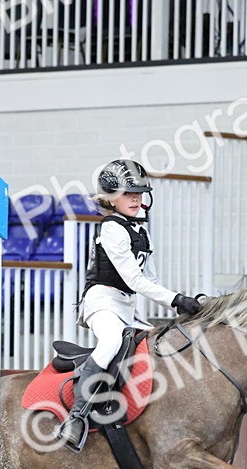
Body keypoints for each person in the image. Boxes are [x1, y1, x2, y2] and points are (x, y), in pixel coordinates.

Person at [55, 159, 203, 452]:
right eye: (128, 194)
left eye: (139, 193)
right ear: (110, 198)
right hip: (102, 303)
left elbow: (152, 278)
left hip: (128, 308)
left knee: (162, 347)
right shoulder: (112, 229)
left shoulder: (141, 230)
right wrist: (175, 298)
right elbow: (134, 279)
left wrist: (176, 305)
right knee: (110, 342)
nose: (136, 199)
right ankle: (77, 416)